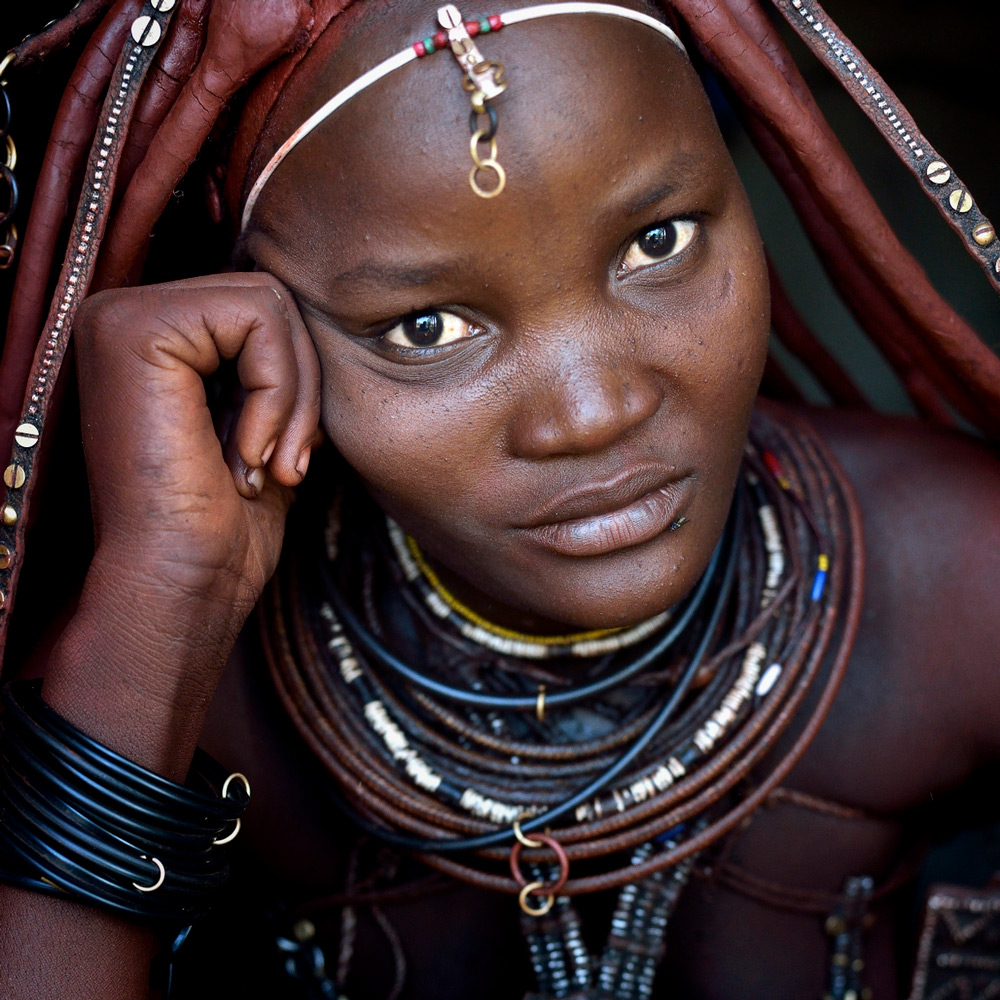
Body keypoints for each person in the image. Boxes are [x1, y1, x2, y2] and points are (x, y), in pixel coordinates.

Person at [0, 1, 998, 998]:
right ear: (258, 330)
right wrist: (162, 601)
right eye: (426, 327)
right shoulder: (173, 676)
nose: (592, 412)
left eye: (657, 241)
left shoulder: (961, 581)